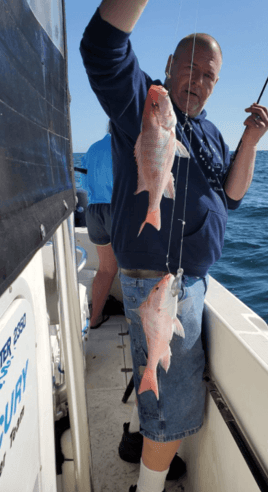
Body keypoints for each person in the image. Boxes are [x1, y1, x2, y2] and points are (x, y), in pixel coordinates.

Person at [80, 2, 268, 491]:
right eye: (191, 66)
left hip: (190, 280)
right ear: (167, 65)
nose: (200, 80)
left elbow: (232, 196)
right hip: (160, 284)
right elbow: (102, 49)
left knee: (161, 389)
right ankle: (148, 484)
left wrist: (250, 140)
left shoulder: (209, 131)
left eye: (210, 75)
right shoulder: (145, 102)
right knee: (173, 400)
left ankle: (149, 449)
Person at [82, 121, 118, 329]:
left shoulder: (93, 148)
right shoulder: (126, 146)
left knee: (106, 269)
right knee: (135, 269)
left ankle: (93, 320)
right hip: (116, 210)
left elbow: (84, 184)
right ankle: (137, 325)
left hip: (94, 212)